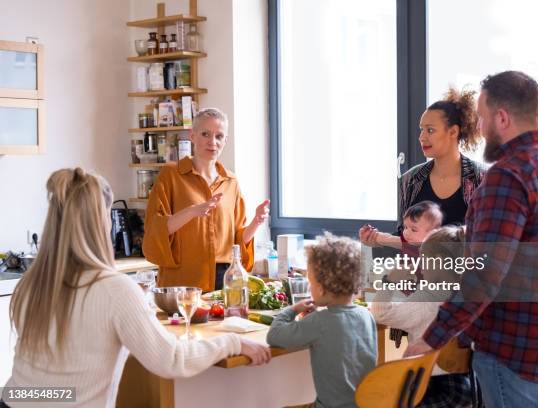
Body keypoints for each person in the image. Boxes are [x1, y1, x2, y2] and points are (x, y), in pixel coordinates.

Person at [407, 71, 538, 408]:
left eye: (482, 118)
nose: (480, 128)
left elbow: (484, 275)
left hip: (511, 346)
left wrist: (432, 338)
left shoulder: (506, 176)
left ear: (502, 118)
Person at [2, 168, 271, 408]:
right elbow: (172, 359)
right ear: (101, 223)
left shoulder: (33, 282)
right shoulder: (112, 289)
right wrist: (233, 342)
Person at [143, 108, 270, 292]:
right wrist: (192, 211)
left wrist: (256, 223)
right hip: (182, 279)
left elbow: (237, 240)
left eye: (219, 136)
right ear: (192, 136)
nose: (212, 142)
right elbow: (156, 231)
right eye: (205, 134)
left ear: (225, 141)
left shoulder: (231, 182)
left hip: (223, 279)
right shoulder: (171, 175)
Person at [360, 87, 486, 249]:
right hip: (418, 273)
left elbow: (486, 242)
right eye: (421, 129)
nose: (422, 137)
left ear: (453, 131)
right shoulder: (410, 180)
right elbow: (405, 236)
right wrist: (376, 240)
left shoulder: (482, 178)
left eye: (430, 130)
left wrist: (385, 239)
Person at [267, 233, 377, 408]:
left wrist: (293, 310)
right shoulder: (366, 315)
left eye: (310, 282)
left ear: (321, 288)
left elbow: (274, 335)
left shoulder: (320, 321)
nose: (309, 287)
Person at [371, 225, 472, 408]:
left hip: (429, 390)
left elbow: (380, 313)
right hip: (468, 388)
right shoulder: (468, 297)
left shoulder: (427, 298)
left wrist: (390, 280)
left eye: (423, 259)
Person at [365, 200, 443, 257]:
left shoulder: (435, 251)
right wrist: (374, 235)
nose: (406, 232)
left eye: (414, 229)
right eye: (405, 227)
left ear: (432, 233)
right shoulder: (408, 241)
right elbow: (389, 238)